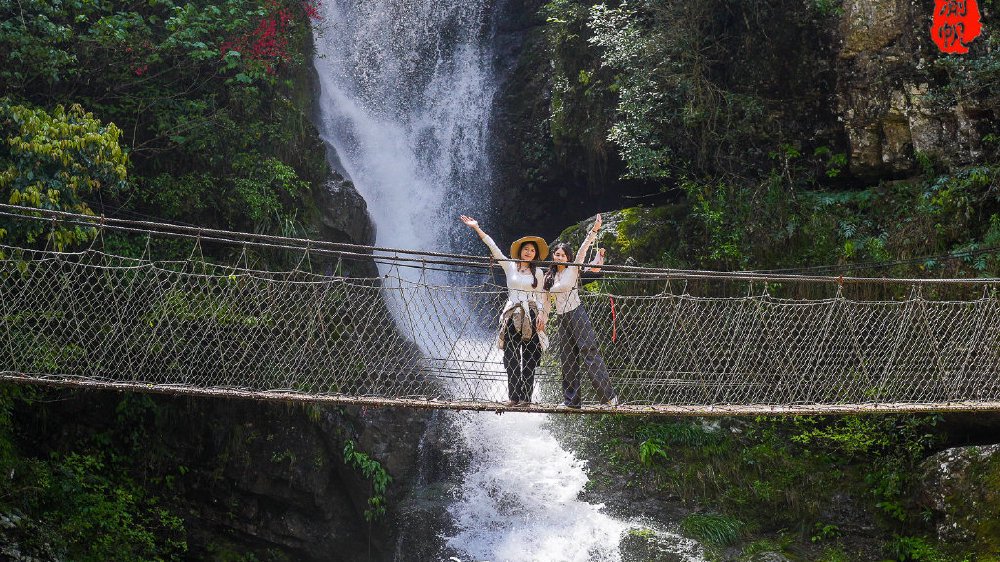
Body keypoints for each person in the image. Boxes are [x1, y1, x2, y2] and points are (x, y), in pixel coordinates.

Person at [460, 215, 549, 406]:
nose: (529, 252)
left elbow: (541, 296)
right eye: (526, 249)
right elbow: (494, 248)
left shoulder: (539, 272)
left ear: (535, 254)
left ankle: (526, 398)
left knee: (531, 357)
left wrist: (542, 314)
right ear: (520, 251)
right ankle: (513, 397)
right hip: (512, 314)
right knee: (510, 357)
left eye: (532, 250)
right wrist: (477, 228)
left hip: (532, 315)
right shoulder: (510, 267)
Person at [544, 214, 618, 408]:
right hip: (561, 317)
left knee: (589, 352)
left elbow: (584, 248)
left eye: (562, 255)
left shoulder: (574, 268)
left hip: (576, 313)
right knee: (567, 358)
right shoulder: (550, 276)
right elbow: (546, 300)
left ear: (568, 257)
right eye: (556, 254)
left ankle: (609, 397)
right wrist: (542, 318)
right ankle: (571, 401)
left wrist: (594, 230)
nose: (559, 257)